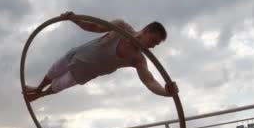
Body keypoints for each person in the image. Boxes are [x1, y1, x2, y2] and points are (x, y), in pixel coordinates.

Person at [23, 11, 178, 102]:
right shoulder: (121, 27)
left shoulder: (138, 59)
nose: (152, 46)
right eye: (153, 41)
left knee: (58, 86)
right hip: (76, 55)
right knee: (52, 72)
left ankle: (40, 95)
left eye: (156, 44)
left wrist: (166, 92)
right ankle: (37, 89)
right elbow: (94, 27)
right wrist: (75, 19)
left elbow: (149, 81)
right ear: (146, 31)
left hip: (83, 73)